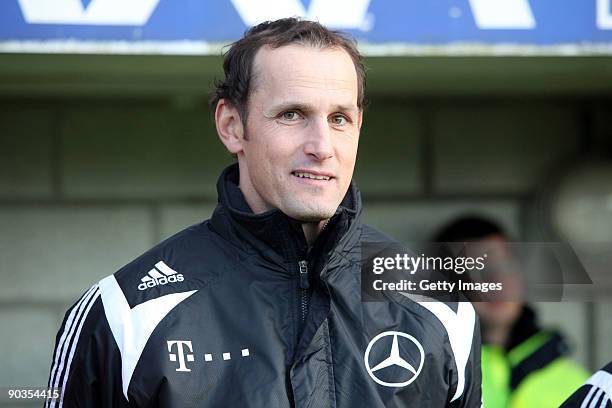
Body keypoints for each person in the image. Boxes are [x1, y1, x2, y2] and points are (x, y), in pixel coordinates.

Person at [45, 18, 481, 407]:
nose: (322, 147)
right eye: (292, 115)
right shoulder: (127, 313)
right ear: (232, 127)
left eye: (340, 119)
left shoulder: (440, 307)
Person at [433, 215, 588, 408]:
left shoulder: (575, 381)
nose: (497, 282)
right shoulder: (427, 376)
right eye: (480, 270)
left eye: (505, 266)